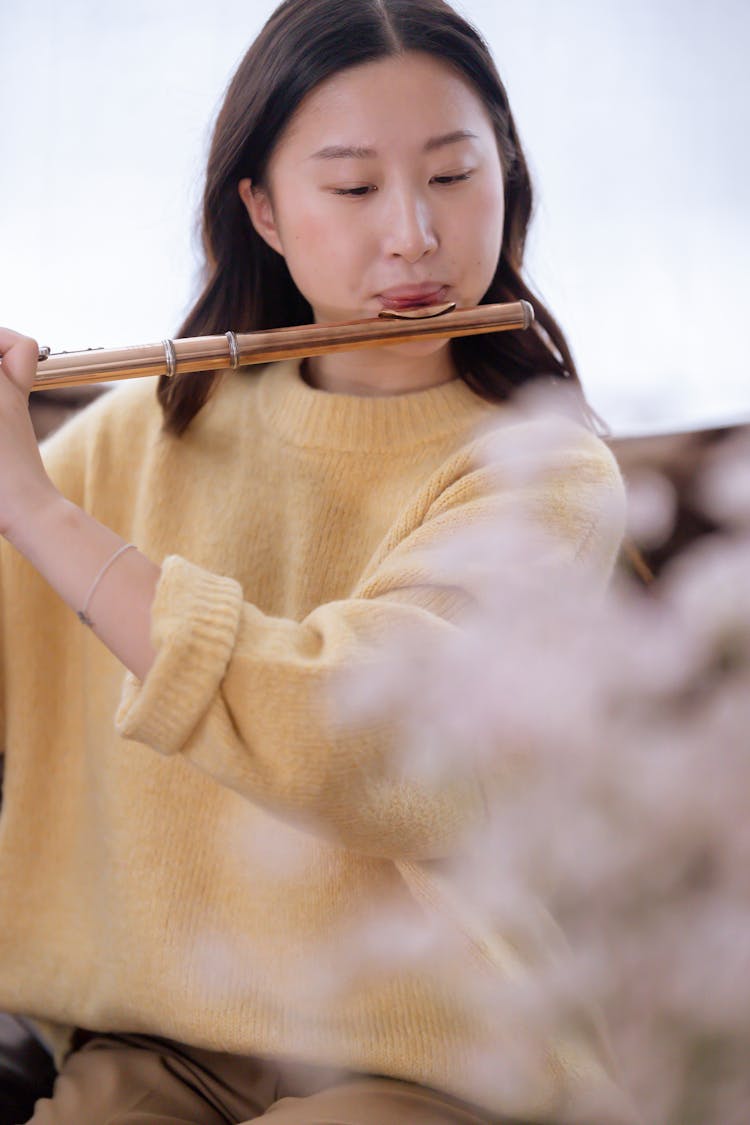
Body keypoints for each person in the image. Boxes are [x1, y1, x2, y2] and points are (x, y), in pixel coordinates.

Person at [0, 1, 637, 1121]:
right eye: (351, 189)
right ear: (265, 211)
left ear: (510, 173)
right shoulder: (136, 437)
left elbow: (363, 735)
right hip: (162, 1040)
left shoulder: (547, 475)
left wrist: (36, 514)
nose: (413, 236)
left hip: (435, 1061)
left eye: (452, 176)